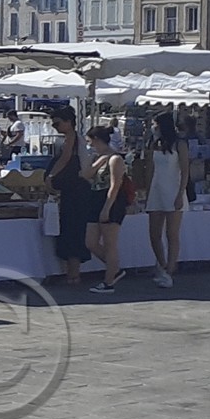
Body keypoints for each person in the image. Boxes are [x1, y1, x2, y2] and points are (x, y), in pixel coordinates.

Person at [47, 106, 93, 284]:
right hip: (75, 190)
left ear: (68, 122)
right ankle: (73, 274)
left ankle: (73, 275)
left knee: (72, 230)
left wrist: (51, 176)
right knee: (72, 230)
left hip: (76, 190)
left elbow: (65, 158)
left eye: (57, 123)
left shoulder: (72, 138)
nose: (55, 127)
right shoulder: (74, 138)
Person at [144, 112, 189, 289]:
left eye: (155, 124)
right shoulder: (154, 143)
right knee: (154, 234)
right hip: (156, 190)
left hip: (173, 189)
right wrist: (147, 192)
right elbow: (149, 169)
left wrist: (180, 193)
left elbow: (185, 171)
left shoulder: (180, 144)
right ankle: (162, 264)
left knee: (172, 234)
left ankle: (170, 269)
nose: (153, 127)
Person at [82, 125, 129, 294]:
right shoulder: (100, 157)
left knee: (110, 243)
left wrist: (107, 208)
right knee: (91, 242)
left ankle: (109, 281)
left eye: (90, 141)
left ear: (96, 140)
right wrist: (99, 160)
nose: (89, 145)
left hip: (111, 201)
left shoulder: (115, 159)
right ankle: (114, 268)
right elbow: (86, 175)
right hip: (95, 199)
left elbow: (115, 185)